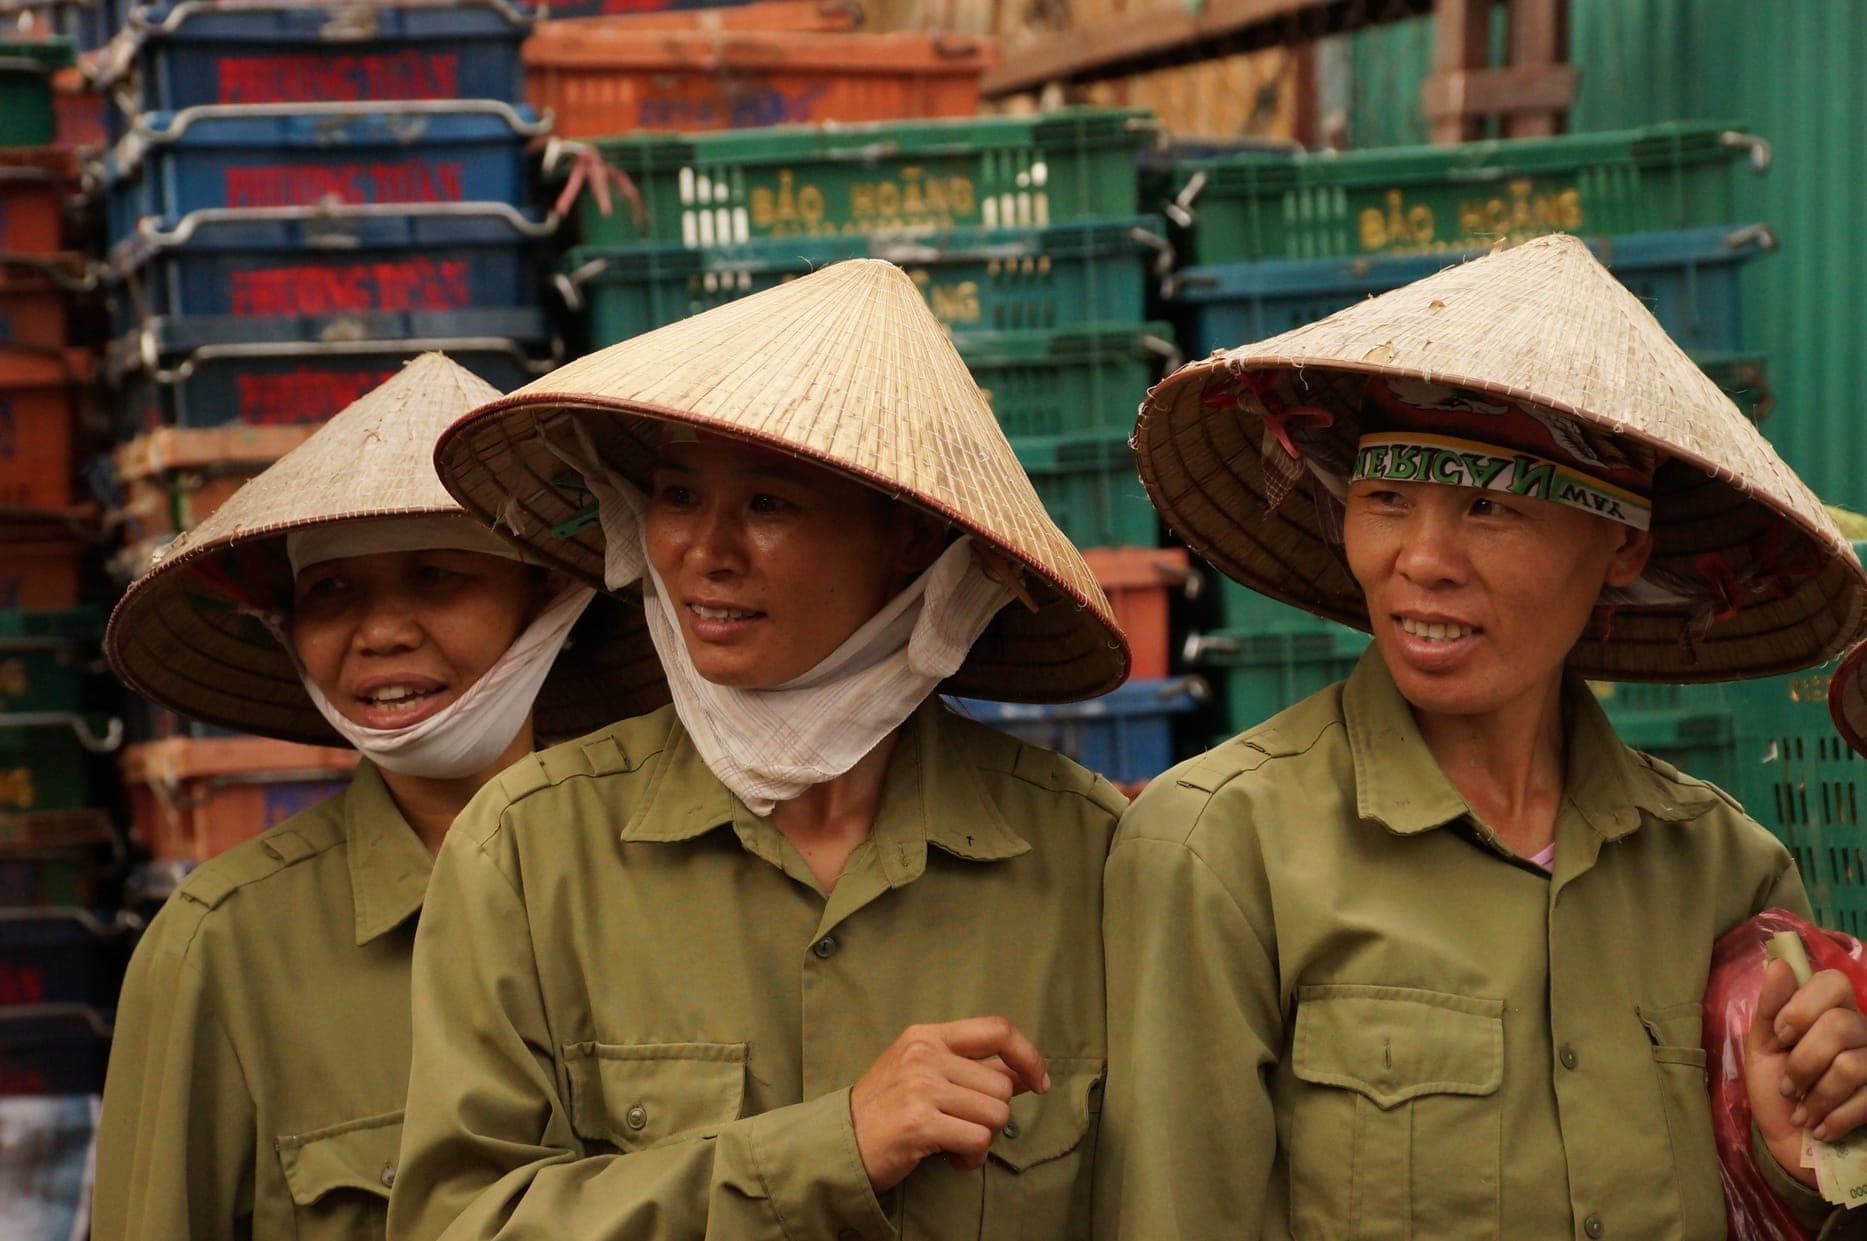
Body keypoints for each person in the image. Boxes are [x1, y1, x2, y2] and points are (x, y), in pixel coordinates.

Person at [1095, 233, 1867, 1239]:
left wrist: (1798, 1153)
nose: (1422, 559)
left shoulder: (1719, 871)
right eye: (1385, 499)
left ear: (1620, 544)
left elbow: (1781, 1204)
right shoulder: (1219, 848)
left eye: (1488, 509)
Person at [385, 258, 1131, 1239]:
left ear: (907, 537)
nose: (705, 549)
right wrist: (832, 1147)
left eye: (770, 503)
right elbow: (457, 1223)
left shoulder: (1090, 855)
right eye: (678, 493)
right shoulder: (528, 849)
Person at [91, 354, 665, 1240]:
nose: (383, 631)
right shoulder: (225, 944)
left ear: (546, 596)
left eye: (438, 575)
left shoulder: (680, 881)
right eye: (332, 590)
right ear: (289, 627)